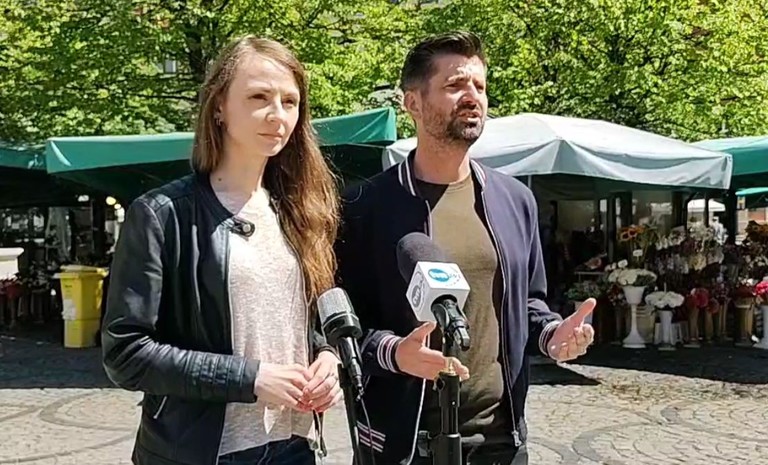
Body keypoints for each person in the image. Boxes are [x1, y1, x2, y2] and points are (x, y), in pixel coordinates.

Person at [336, 31, 595, 465]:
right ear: (413, 103)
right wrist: (394, 352)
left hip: (500, 442)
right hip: (405, 444)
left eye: (480, 86)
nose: (473, 96)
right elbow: (338, 326)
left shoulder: (515, 201)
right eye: (455, 85)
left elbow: (528, 304)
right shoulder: (364, 206)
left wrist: (553, 334)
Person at [101, 36, 343, 465]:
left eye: (290, 101)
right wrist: (250, 378)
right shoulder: (162, 214)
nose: (278, 114)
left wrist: (327, 356)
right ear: (218, 107)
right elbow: (126, 353)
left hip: (294, 446)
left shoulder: (301, 210)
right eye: (258, 97)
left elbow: (302, 320)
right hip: (202, 453)